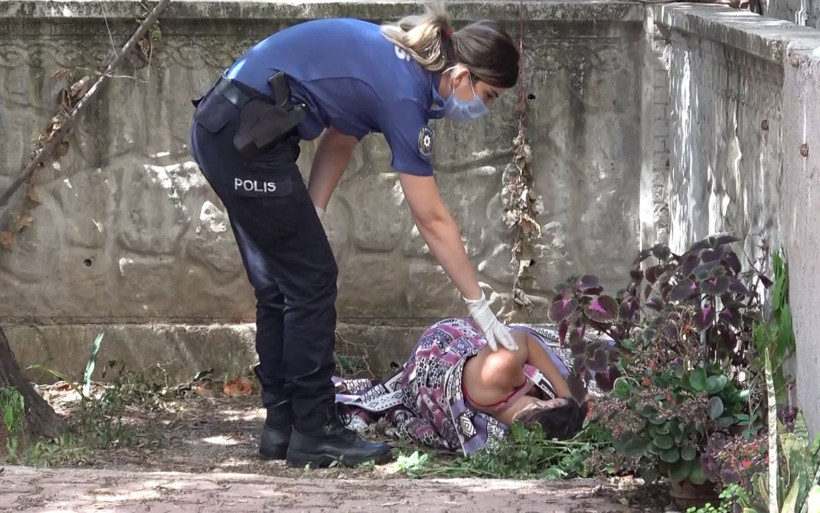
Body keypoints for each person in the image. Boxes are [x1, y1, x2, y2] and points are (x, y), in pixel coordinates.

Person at [188, 6, 520, 468]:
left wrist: (312, 213)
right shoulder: (405, 93)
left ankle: (281, 427)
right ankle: (315, 430)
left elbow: (341, 136)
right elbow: (432, 218)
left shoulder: (402, 67)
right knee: (312, 281)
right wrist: (479, 306)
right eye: (489, 94)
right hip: (242, 140)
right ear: (461, 74)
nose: (486, 106)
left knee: (281, 282)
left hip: (231, 129)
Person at [335, 318, 589, 455]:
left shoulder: (501, 371)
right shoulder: (503, 436)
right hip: (430, 384)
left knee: (518, 336)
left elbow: (524, 338)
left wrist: (566, 394)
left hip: (436, 348)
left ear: (552, 403)